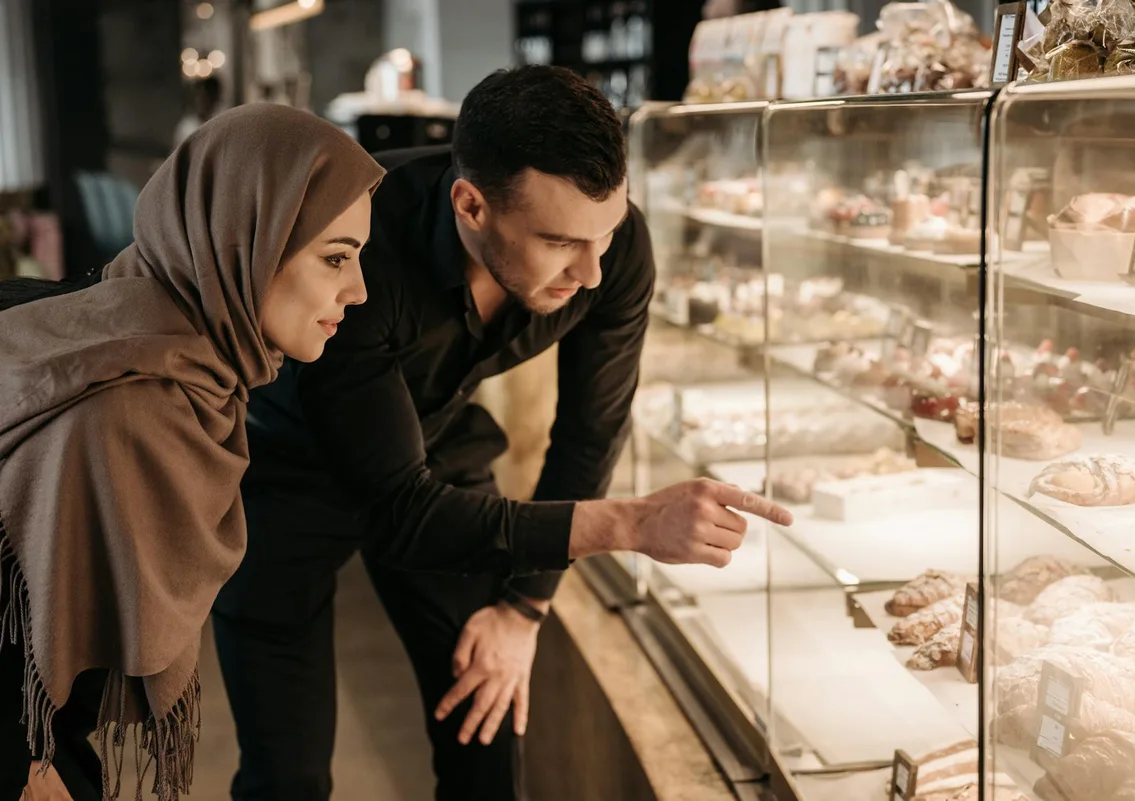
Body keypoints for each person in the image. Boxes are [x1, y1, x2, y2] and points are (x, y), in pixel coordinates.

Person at [212, 65, 791, 801]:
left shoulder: (609, 253)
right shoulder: (362, 252)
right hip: (289, 468)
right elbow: (402, 513)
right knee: (285, 774)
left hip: (438, 444)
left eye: (604, 236)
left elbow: (591, 431)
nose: (589, 273)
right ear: (471, 204)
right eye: (558, 242)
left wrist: (524, 606)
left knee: (487, 728)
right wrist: (633, 523)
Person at [0, 103, 385, 800]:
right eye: (335, 258)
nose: (357, 291)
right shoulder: (134, 404)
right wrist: (25, 769)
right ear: (246, 242)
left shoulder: (166, 346)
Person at [174, 76, 223, 149]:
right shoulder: (186, 127)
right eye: (198, 96)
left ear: (214, 97)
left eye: (205, 96)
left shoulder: (222, 123)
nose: (200, 100)